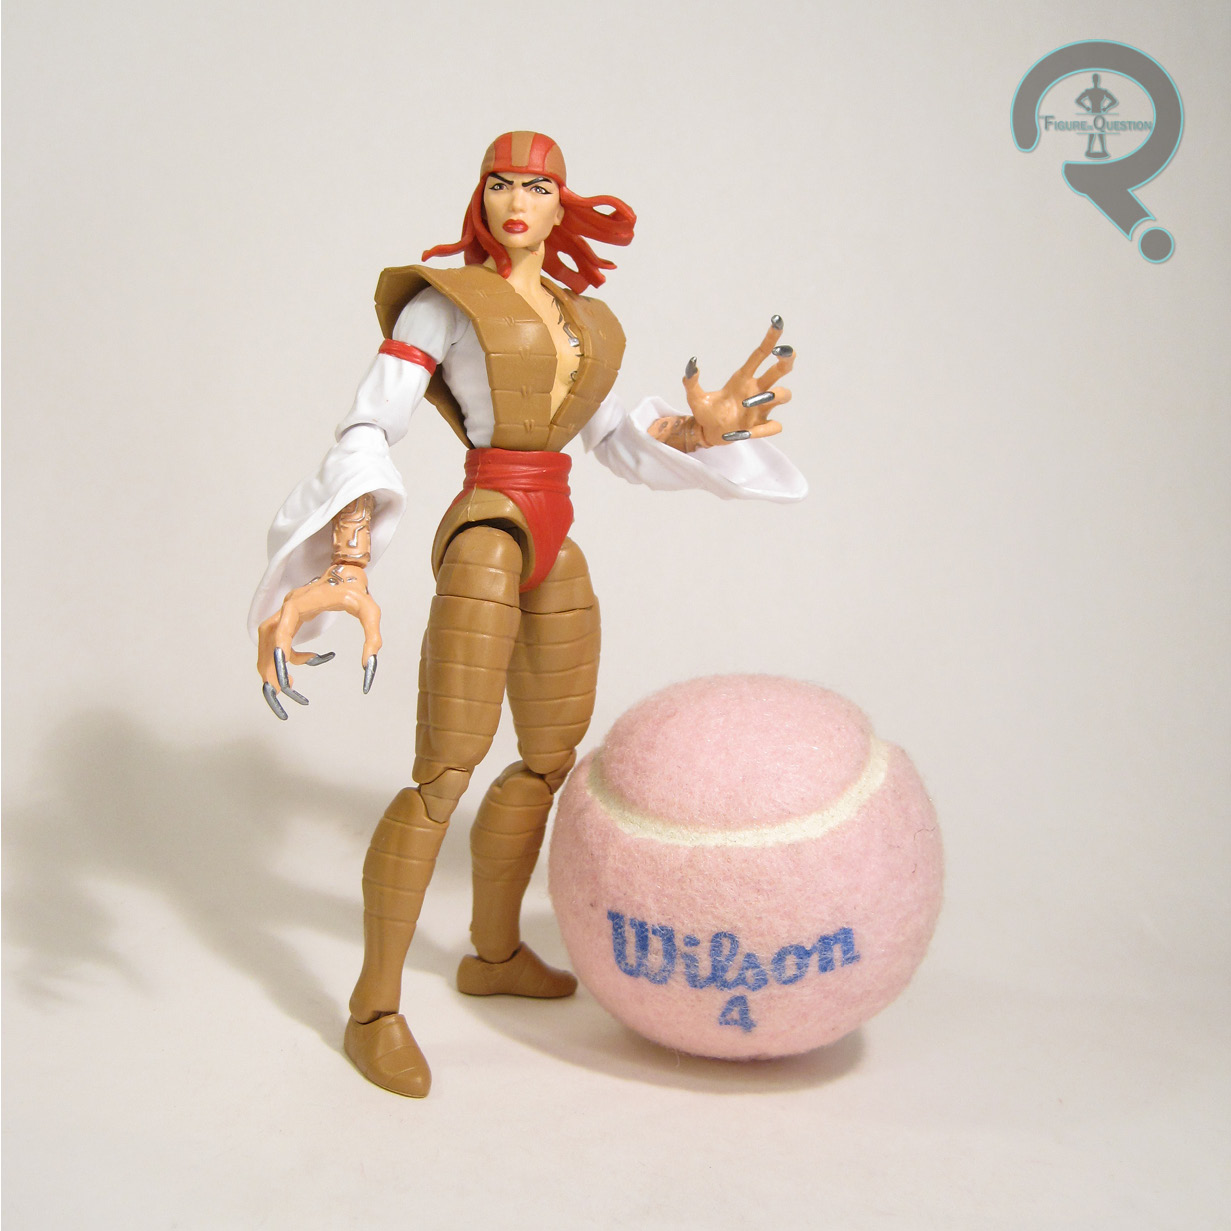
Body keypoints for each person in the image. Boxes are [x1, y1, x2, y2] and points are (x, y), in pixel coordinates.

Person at [248, 131, 806, 1096]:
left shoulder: (585, 320)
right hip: (487, 527)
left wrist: (695, 430)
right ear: (481, 197)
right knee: (443, 773)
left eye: (536, 187)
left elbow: (614, 439)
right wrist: (347, 558)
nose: (516, 200)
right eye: (500, 183)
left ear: (561, 204)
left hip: (555, 529)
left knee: (548, 756)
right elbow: (370, 424)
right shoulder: (444, 303)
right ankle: (372, 1008)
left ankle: (494, 952)